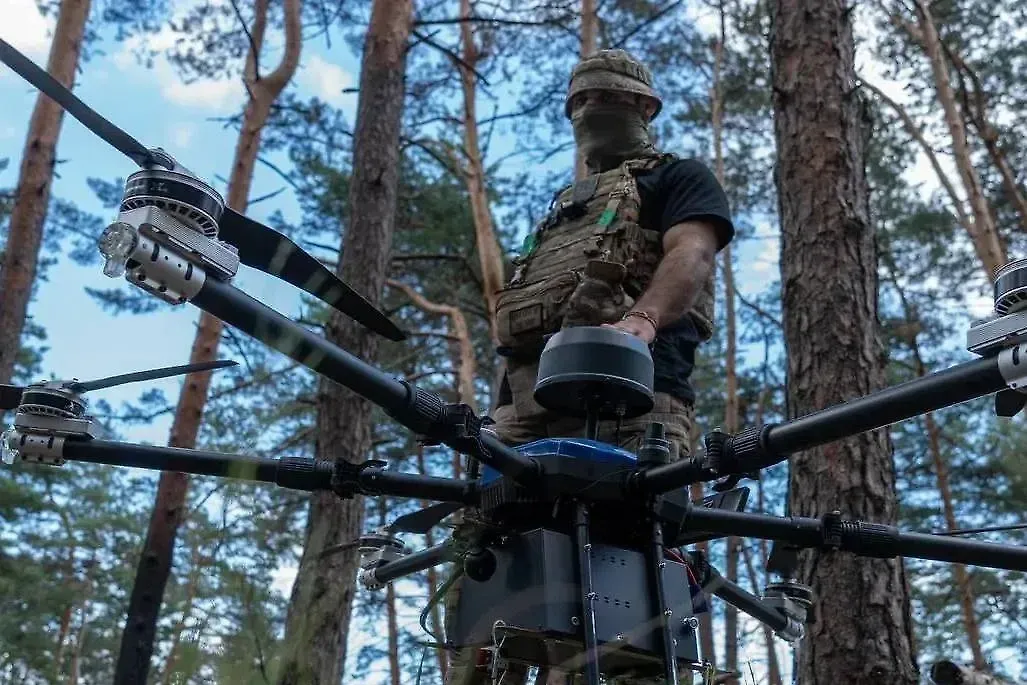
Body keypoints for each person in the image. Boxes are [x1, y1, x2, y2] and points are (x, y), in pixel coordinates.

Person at [443, 48, 735, 685]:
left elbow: (692, 254)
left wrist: (644, 321)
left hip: (638, 401)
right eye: (578, 102)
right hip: (525, 412)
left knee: (627, 582)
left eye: (607, 100)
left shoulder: (679, 177)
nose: (589, 112)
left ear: (646, 107)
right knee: (493, 572)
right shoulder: (560, 210)